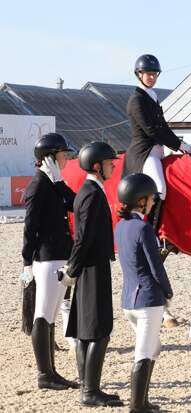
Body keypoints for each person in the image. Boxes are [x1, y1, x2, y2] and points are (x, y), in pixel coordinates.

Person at [58, 141, 123, 407]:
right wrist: (72, 269)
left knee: (87, 329)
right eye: (109, 164)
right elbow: (83, 238)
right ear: (97, 166)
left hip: (91, 264)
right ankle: (90, 391)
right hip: (92, 267)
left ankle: (88, 387)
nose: (112, 168)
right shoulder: (92, 194)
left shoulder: (91, 190)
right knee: (99, 330)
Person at [22, 133, 79, 390]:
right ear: (50, 157)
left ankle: (52, 371)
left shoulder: (52, 183)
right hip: (46, 259)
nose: (66, 157)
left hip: (58, 255)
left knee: (51, 316)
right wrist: (26, 260)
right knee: (43, 315)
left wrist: (59, 182)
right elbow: (29, 227)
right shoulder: (38, 185)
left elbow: (74, 204)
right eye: (63, 154)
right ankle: (44, 375)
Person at [115, 173, 173, 413]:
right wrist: (168, 292)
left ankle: (143, 401)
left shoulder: (121, 226)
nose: (153, 202)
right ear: (140, 201)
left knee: (152, 348)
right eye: (150, 198)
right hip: (148, 300)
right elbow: (156, 267)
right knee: (144, 352)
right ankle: (137, 405)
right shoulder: (144, 228)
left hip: (128, 299)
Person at [123, 54, 191, 230]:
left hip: (157, 150)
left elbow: (164, 127)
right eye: (148, 74)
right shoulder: (137, 100)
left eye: (155, 74)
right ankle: (151, 230)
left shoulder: (152, 96)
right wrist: (178, 145)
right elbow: (152, 130)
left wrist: (182, 145)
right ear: (139, 74)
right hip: (144, 153)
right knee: (160, 188)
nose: (152, 77)